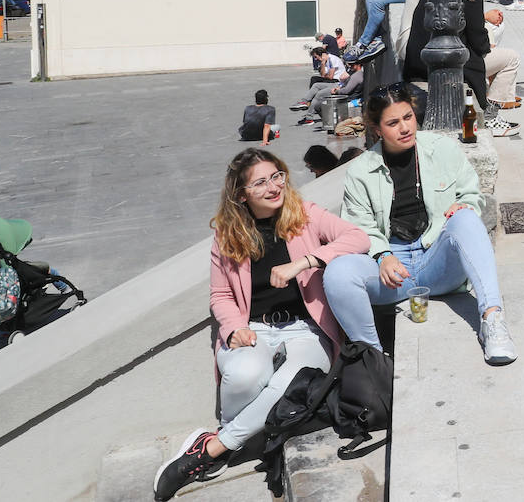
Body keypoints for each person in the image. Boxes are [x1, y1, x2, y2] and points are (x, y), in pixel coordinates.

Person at [153, 148, 368, 500]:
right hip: (255, 328)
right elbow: (221, 295)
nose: (274, 186)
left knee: (287, 386)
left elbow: (358, 238)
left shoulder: (305, 215)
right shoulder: (227, 236)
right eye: (261, 182)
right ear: (242, 194)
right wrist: (235, 326)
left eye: (277, 176)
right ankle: (236, 438)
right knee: (247, 375)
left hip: (306, 330)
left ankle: (212, 449)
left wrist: (306, 261)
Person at [322, 85, 517, 363]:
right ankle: (373, 359)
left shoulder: (442, 149)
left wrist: (464, 206)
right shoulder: (360, 170)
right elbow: (357, 226)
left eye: (408, 117)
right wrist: (382, 255)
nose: (404, 127)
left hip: (438, 262)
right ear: (377, 129)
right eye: (392, 123)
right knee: (337, 273)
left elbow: (472, 195)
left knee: (465, 218)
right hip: (392, 272)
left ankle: (493, 320)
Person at [459, 0, 517, 136]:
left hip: (454, 54)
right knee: (511, 58)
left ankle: (492, 108)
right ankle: (492, 115)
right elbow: (476, 34)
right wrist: (487, 46)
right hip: (464, 61)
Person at [293, 59, 364, 125]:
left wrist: (337, 91)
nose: (350, 66)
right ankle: (304, 102)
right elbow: (344, 82)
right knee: (316, 85)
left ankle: (310, 118)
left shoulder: (357, 75)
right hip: (339, 86)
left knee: (319, 96)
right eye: (349, 65)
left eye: (352, 65)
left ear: (359, 65)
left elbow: (346, 90)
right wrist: (340, 86)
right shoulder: (353, 72)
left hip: (342, 93)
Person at [483, 7, 522, 110]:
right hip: (467, 57)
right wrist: (486, 16)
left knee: (499, 26)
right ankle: (498, 98)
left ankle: (506, 94)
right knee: (513, 57)